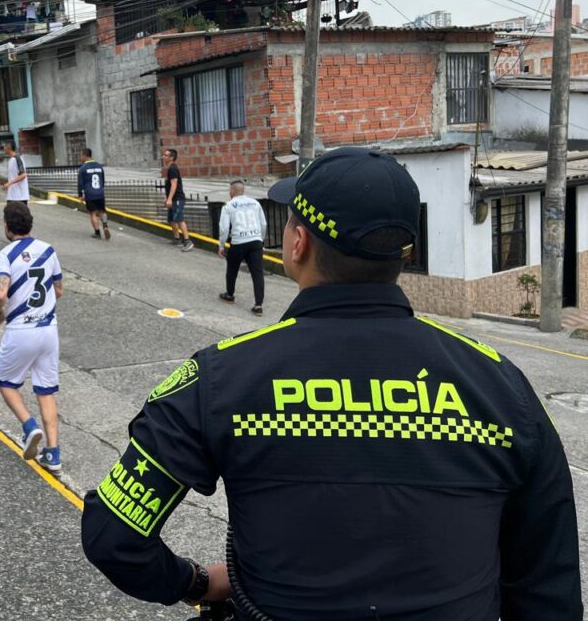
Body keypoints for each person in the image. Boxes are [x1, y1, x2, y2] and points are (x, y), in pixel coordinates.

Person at [81, 147, 583, 620]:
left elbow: (114, 536)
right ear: (402, 255)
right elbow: (548, 584)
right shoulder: (500, 385)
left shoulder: (219, 379)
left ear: (298, 244)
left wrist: (196, 583)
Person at [0, 202, 64, 472]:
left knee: (7, 383)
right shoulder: (48, 250)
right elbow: (58, 290)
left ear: (7, 227)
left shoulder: (5, 255)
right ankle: (53, 454)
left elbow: (0, 293)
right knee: (46, 390)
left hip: (21, 330)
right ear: (30, 224)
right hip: (48, 330)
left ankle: (29, 425)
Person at [217, 180, 267, 314]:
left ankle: (230, 295)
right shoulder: (255, 203)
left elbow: (224, 228)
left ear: (232, 191)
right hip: (255, 240)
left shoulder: (228, 206)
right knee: (257, 273)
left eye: (229, 190)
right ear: (243, 190)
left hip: (239, 241)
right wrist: (260, 239)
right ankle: (258, 305)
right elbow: (263, 224)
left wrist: (221, 245)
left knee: (232, 270)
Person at [162, 148, 192, 252]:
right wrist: (167, 198)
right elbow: (169, 186)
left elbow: (174, 185)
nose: (163, 157)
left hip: (177, 199)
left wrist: (170, 199)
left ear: (172, 158)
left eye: (166, 155)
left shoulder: (173, 169)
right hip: (172, 198)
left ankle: (188, 241)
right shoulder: (170, 168)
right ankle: (176, 238)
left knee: (179, 220)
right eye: (164, 155)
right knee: (171, 219)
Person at [77, 148, 109, 240]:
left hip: (90, 194)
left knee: (93, 213)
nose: (80, 157)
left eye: (81, 155)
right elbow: (103, 181)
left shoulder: (83, 168)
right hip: (100, 193)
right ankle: (105, 226)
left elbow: (80, 184)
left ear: (85, 156)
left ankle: (97, 233)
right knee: (102, 211)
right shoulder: (99, 166)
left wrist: (80, 195)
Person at [0, 140, 29, 204]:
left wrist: (9, 183)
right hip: (12, 196)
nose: (3, 148)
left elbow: (23, 175)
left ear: (8, 147)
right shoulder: (11, 160)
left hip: (20, 197)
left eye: (4, 146)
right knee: (8, 213)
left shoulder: (17, 159)